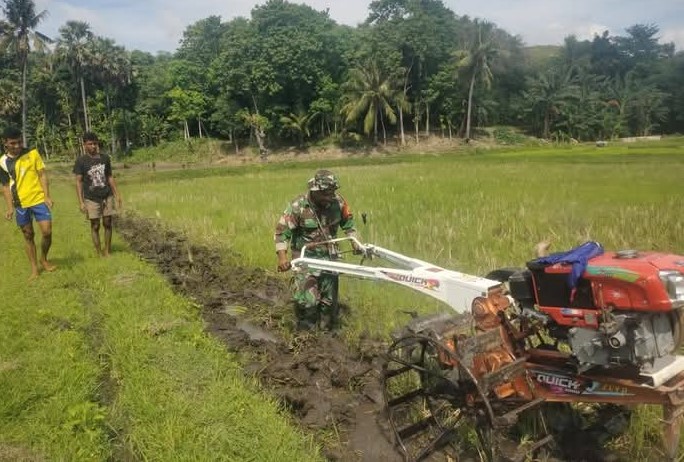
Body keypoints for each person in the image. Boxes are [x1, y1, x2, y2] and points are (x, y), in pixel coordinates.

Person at [275, 169, 358, 330]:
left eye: (332, 192)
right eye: (326, 194)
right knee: (308, 301)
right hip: (306, 260)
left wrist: (355, 242)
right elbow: (281, 233)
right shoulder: (298, 206)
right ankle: (306, 335)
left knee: (329, 302)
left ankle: (327, 337)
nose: (330, 197)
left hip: (330, 259)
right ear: (316, 191)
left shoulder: (338, 203)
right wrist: (282, 258)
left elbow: (349, 224)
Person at [0, 126, 56, 280]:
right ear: (5, 143)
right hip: (20, 203)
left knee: (47, 231)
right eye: (13, 143)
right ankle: (34, 269)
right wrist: (10, 208)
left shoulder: (32, 153)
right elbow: (5, 187)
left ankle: (44, 258)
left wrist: (47, 196)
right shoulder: (2, 162)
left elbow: (42, 175)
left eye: (19, 142)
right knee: (28, 235)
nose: (17, 146)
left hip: (38, 199)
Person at [73, 132, 122, 257]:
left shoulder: (105, 158)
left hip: (106, 195)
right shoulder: (81, 161)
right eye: (90, 144)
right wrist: (81, 202)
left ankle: (107, 250)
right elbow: (78, 182)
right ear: (84, 145)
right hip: (91, 198)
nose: (93, 146)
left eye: (95, 143)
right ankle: (99, 252)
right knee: (95, 225)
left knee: (107, 222)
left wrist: (117, 194)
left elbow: (109, 177)